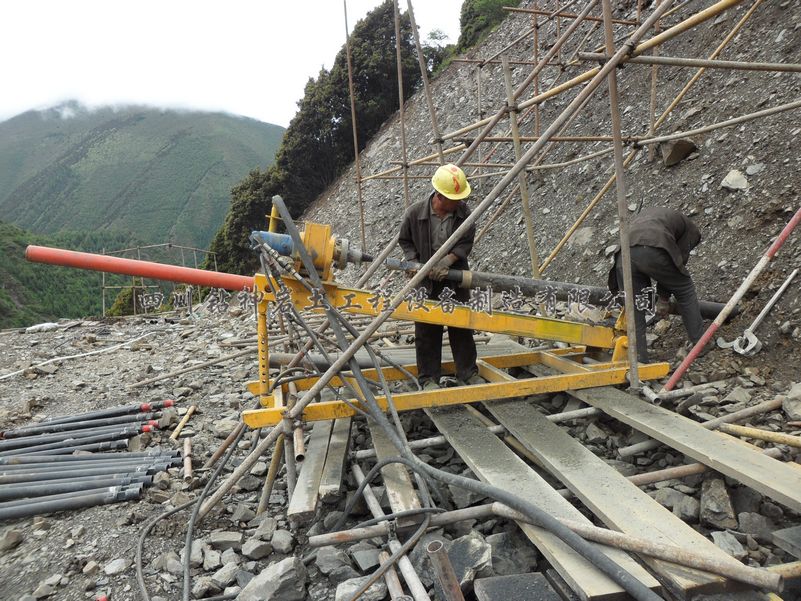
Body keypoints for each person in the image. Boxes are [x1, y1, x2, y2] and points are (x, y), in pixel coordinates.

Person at [398, 164, 482, 390]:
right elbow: (405, 240)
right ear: (440, 197)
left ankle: (467, 372)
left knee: (461, 325)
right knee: (427, 329)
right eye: (455, 199)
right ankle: (428, 378)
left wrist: (449, 260)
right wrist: (413, 261)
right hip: (425, 280)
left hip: (454, 277)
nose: (459, 203)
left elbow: (466, 242)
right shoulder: (415, 214)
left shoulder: (464, 215)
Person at [608, 206, 706, 363]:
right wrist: (664, 299)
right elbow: (676, 261)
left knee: (635, 309)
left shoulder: (653, 217)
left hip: (623, 254)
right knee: (684, 289)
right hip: (653, 247)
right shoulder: (692, 231)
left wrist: (662, 296)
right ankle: (700, 344)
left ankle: (639, 359)